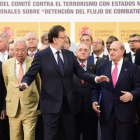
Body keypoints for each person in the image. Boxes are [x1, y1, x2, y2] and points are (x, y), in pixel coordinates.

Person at [16, 25, 109, 140]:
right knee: (51, 136)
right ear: (54, 39)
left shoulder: (69, 55)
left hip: (68, 104)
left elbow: (81, 73)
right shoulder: (41, 55)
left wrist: (96, 78)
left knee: (69, 135)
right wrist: (25, 83)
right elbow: (31, 74)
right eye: (63, 37)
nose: (66, 39)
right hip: (50, 103)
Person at [92, 41, 140, 140]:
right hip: (106, 112)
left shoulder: (132, 67)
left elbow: (138, 87)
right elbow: (95, 87)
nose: (111, 52)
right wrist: (94, 100)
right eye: (110, 50)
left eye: (115, 50)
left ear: (122, 51)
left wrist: (131, 95)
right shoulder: (102, 67)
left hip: (125, 112)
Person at [2, 37, 41, 140]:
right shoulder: (6, 64)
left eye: (23, 49)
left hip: (30, 107)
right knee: (15, 137)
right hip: (13, 108)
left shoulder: (34, 62)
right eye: (17, 50)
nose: (20, 52)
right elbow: (7, 84)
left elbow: (39, 84)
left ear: (27, 49)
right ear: (13, 50)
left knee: (29, 137)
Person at [73, 43, 98, 140]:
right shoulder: (69, 67)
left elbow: (97, 87)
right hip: (73, 109)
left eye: (85, 50)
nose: (83, 52)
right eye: (80, 50)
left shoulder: (95, 68)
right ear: (76, 53)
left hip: (90, 109)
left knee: (90, 136)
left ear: (89, 53)